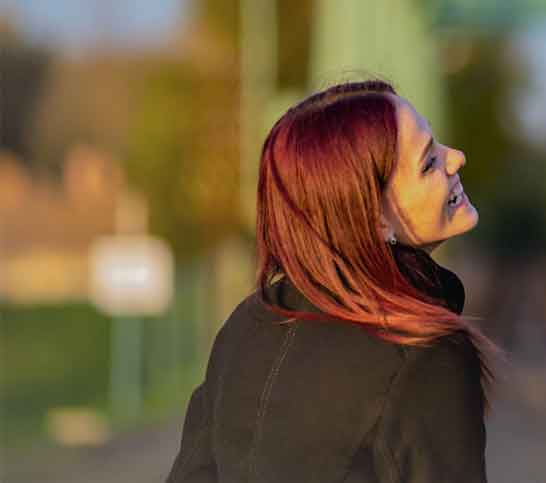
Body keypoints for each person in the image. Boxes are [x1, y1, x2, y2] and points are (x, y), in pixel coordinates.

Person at [167, 80, 494, 483]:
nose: (457, 158)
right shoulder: (424, 351)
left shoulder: (245, 326)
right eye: (428, 164)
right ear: (373, 219)